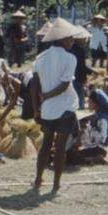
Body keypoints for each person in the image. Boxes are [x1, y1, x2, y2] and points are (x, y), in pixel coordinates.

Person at [31, 17, 80, 193]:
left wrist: (37, 107)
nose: (72, 41)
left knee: (46, 145)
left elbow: (34, 85)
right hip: (65, 107)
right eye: (70, 38)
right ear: (61, 39)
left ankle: (38, 180)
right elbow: (65, 85)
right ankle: (56, 184)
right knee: (60, 148)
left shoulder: (40, 58)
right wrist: (48, 96)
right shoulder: (70, 58)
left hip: (47, 110)